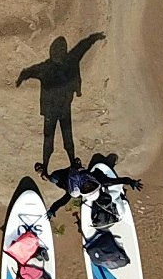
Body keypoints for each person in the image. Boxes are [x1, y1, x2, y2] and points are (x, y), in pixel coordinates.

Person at [18, 31, 106, 174]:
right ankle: (66, 163)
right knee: (62, 137)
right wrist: (93, 38)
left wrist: (23, 77)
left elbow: (29, 71)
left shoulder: (47, 67)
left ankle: (48, 165)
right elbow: (82, 47)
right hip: (60, 108)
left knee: (53, 138)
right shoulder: (66, 62)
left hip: (54, 110)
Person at [45, 153, 143, 220]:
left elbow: (63, 200)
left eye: (86, 189)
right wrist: (132, 182)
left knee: (54, 179)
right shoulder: (100, 180)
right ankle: (72, 167)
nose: (87, 186)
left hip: (64, 179)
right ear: (96, 186)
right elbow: (119, 180)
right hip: (76, 172)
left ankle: (46, 175)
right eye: (91, 187)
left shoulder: (74, 192)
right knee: (54, 177)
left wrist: (53, 209)